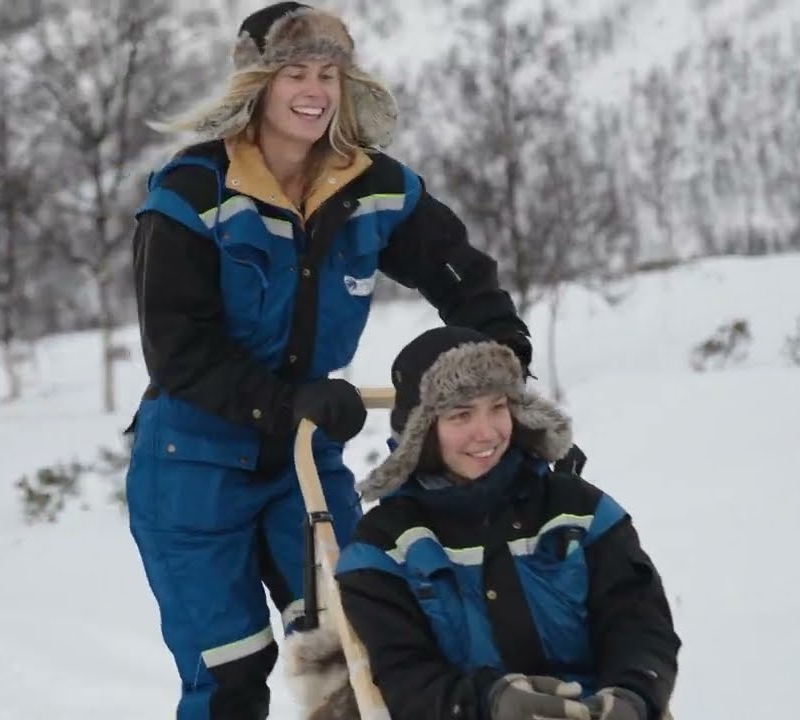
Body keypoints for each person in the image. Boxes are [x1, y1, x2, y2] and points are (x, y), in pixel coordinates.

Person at [123, 4, 538, 719]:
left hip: (305, 457)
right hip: (190, 465)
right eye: (295, 73)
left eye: (329, 73)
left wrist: (505, 360)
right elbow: (179, 349)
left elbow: (459, 275)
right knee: (231, 672)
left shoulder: (370, 186)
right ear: (257, 84)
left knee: (361, 644)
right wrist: (288, 404)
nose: (315, 90)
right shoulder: (194, 193)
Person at [290, 326, 680, 720]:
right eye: (461, 415)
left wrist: (634, 694)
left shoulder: (579, 511)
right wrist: (489, 702)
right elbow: (402, 675)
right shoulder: (384, 548)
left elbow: (638, 622)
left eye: (497, 407)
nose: (488, 432)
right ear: (421, 434)